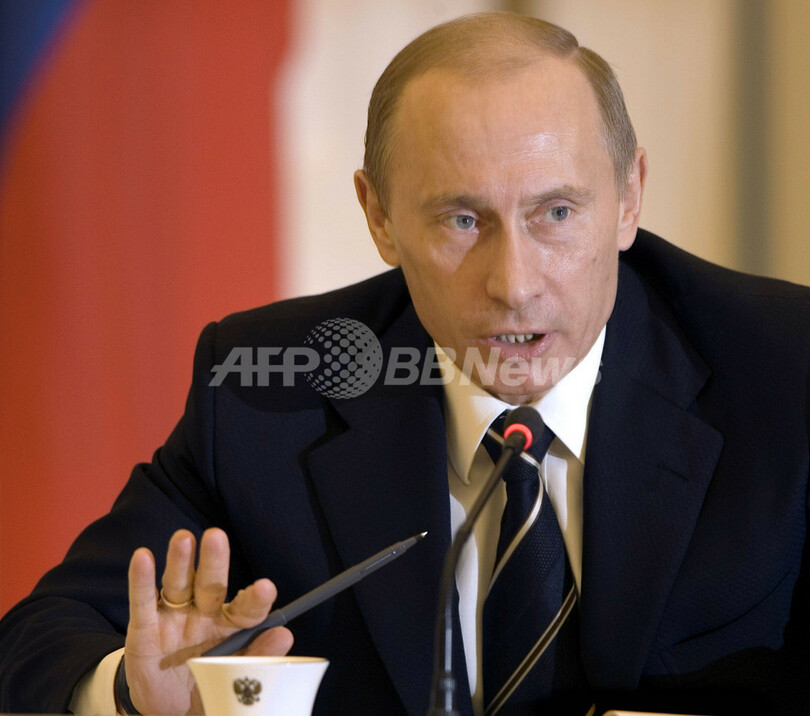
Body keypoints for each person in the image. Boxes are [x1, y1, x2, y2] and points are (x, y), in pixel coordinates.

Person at [1, 11, 808, 716]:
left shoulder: (785, 371)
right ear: (380, 217)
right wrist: (130, 692)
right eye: (463, 220)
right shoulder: (266, 391)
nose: (514, 284)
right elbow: (38, 639)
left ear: (629, 196)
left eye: (556, 213)